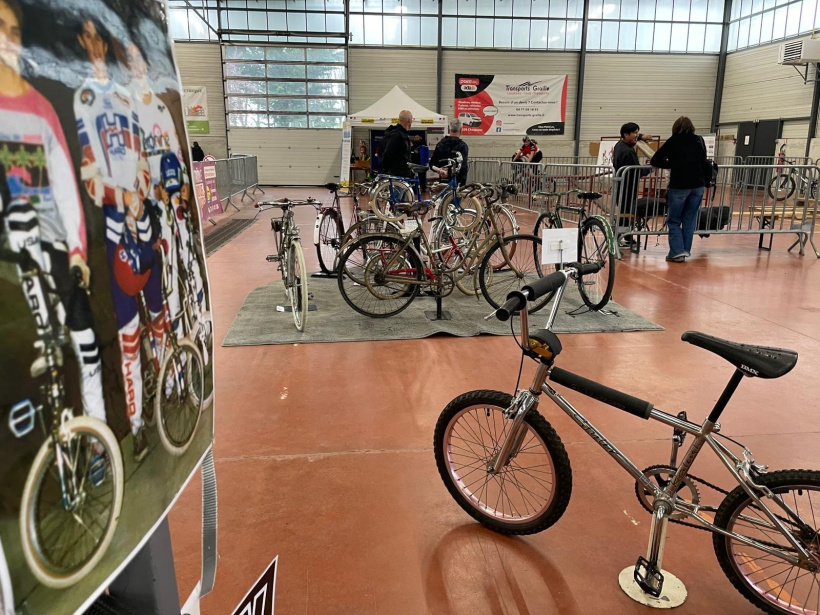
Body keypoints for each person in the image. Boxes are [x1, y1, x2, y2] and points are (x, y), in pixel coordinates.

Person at [0, 0, 107, 437]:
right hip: (11, 256)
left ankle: (97, 442)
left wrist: (77, 252)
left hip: (54, 248)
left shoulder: (41, 108)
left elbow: (64, 186)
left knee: (88, 349)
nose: (4, 37)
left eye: (11, 29)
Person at [74, 17, 162, 462]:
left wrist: (139, 192)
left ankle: (174, 390)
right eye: (86, 38)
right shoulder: (84, 98)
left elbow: (143, 159)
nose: (94, 45)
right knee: (129, 337)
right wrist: (121, 195)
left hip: (144, 223)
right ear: (81, 43)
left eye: (98, 38)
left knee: (161, 322)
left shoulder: (127, 98)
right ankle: (138, 425)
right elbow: (89, 175)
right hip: (114, 236)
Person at [650, 116, 708, 263]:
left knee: (674, 220)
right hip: (698, 185)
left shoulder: (673, 141)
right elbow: (703, 159)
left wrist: (671, 163)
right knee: (689, 219)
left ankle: (676, 252)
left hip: (679, 186)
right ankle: (685, 250)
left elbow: (655, 160)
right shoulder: (699, 140)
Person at [613, 122, 653, 246]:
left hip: (623, 186)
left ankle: (625, 236)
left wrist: (641, 136)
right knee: (627, 213)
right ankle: (621, 237)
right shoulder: (628, 152)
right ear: (626, 135)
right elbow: (637, 171)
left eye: (637, 132)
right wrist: (651, 167)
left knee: (626, 213)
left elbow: (633, 137)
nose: (636, 135)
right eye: (634, 133)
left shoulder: (619, 144)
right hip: (627, 188)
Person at [430, 118, 469, 185]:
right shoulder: (462, 146)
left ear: (449, 129)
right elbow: (463, 166)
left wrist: (440, 170)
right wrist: (450, 171)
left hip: (443, 183)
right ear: (461, 130)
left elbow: (432, 164)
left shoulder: (440, 144)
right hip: (458, 183)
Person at [381, 109, 413, 178]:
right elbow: (387, 155)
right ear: (408, 120)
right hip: (397, 177)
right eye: (411, 120)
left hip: (401, 176)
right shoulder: (397, 136)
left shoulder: (402, 135)